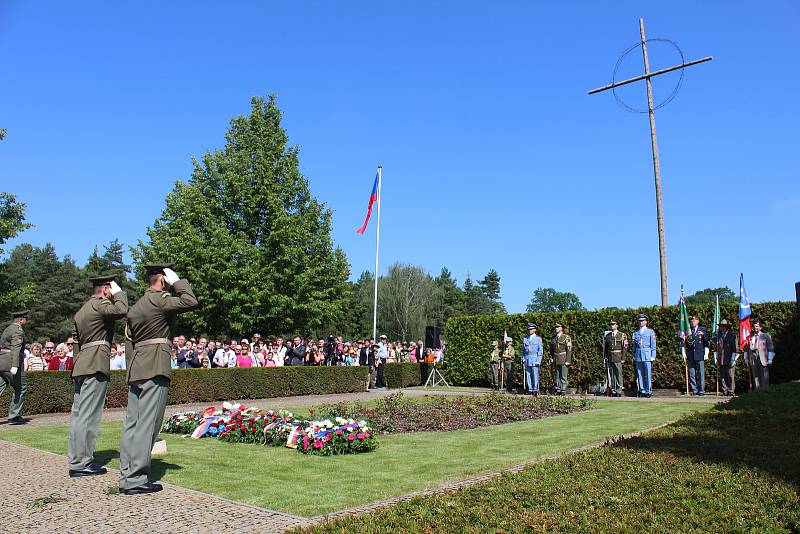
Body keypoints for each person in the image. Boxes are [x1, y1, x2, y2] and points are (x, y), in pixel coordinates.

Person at [118, 263, 197, 495]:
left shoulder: (136, 306)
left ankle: (126, 475)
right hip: (155, 364)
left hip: (137, 366)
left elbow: (129, 342)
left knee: (132, 423)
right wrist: (178, 282)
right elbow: (190, 301)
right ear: (162, 279)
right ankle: (136, 478)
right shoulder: (160, 300)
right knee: (148, 424)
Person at [68, 274, 128, 478]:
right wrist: (119, 293)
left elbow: (77, 343)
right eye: (111, 289)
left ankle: (77, 459)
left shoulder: (82, 310)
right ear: (105, 290)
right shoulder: (99, 304)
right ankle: (82, 462)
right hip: (95, 363)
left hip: (82, 363)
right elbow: (121, 310)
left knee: (78, 415)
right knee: (89, 416)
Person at [0, 310, 30, 425]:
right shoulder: (18, 330)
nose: (26, 321)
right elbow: (16, 348)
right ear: (21, 320)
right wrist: (15, 365)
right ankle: (14, 415)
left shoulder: (7, 328)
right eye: (25, 319)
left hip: (2, 362)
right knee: (21, 387)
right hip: (10, 363)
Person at [682, 315, 708, 396]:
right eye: (691, 321)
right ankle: (694, 389)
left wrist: (703, 335)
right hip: (690, 355)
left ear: (698, 321)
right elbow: (686, 343)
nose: (692, 322)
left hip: (699, 354)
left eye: (694, 320)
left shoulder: (702, 329)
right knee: (692, 374)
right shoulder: (688, 331)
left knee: (700, 374)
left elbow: (706, 341)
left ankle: (701, 390)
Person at [632, 313, 656, 398]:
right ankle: (642, 390)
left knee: (648, 374)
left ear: (646, 322)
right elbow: (634, 345)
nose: (641, 322)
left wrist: (653, 355)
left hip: (647, 354)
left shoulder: (650, 331)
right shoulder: (635, 332)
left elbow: (653, 345)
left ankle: (648, 391)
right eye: (639, 321)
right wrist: (634, 355)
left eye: (642, 321)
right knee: (640, 374)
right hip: (638, 354)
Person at [745, 319, 774, 390]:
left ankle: (765, 391)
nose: (755, 328)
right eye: (754, 326)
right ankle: (757, 392)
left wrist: (770, 358)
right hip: (753, 357)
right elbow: (747, 349)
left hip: (763, 357)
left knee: (764, 375)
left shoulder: (766, 336)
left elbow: (771, 347)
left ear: (760, 327)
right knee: (755, 375)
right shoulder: (751, 337)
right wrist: (746, 358)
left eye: (757, 326)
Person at [603, 320, 628, 397]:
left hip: (618, 356)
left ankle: (619, 390)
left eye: (613, 324)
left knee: (618, 374)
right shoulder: (608, 336)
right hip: (610, 357)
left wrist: (623, 358)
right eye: (611, 324)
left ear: (617, 325)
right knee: (612, 374)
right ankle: (614, 390)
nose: (612, 326)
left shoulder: (622, 335)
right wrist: (605, 357)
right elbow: (606, 349)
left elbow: (625, 347)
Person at [715, 319, 738, 396]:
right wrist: (715, 357)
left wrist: (733, 359)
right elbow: (716, 347)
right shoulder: (718, 335)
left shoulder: (732, 335)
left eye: (724, 326)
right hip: (721, 359)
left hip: (730, 358)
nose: (723, 328)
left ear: (727, 327)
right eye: (721, 326)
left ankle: (731, 390)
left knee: (730, 375)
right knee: (722, 376)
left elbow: (735, 348)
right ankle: (725, 390)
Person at [550, 323, 572, 395]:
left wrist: (568, 360)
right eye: (555, 327)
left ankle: (563, 389)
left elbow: (569, 349)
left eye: (558, 327)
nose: (556, 328)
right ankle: (558, 389)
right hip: (556, 358)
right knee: (557, 375)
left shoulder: (566, 337)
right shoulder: (553, 337)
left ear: (561, 328)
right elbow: (551, 350)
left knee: (563, 375)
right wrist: (551, 357)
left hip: (563, 358)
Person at [521, 324, 544, 395]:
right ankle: (530, 389)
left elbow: (540, 350)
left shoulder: (538, 338)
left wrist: (538, 360)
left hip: (534, 358)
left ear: (535, 330)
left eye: (531, 329)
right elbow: (523, 350)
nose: (529, 331)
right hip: (527, 358)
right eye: (528, 329)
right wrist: (523, 358)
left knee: (535, 373)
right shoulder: (526, 338)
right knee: (528, 374)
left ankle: (535, 389)